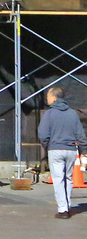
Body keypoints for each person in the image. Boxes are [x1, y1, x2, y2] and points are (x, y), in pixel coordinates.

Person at [37, 85, 86, 218]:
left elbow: (43, 134)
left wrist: (46, 145)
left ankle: (63, 209)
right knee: (68, 178)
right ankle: (67, 204)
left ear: (53, 98)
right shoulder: (72, 113)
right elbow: (80, 133)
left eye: (48, 97)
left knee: (58, 179)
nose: (47, 99)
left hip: (55, 149)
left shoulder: (49, 114)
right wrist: (84, 150)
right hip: (71, 150)